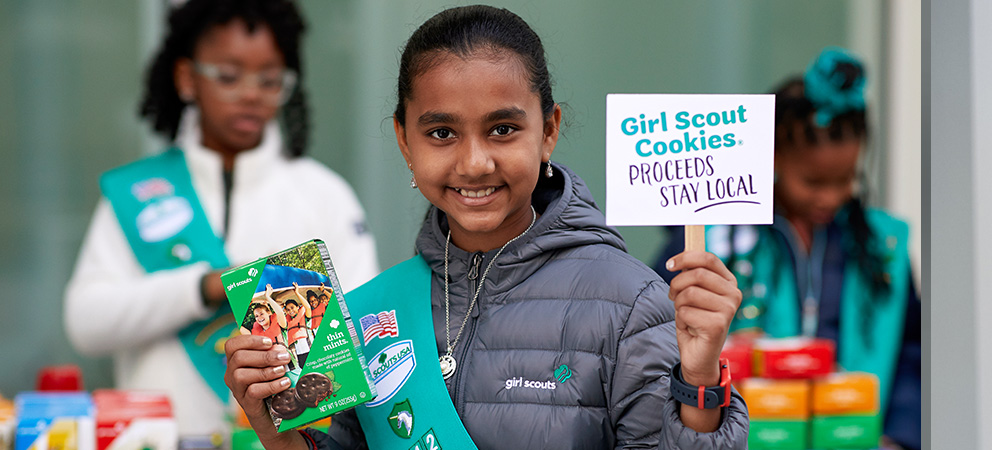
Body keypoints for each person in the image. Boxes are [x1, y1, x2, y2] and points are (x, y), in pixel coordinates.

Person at [222, 6, 749, 449]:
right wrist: (279, 433)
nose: (475, 163)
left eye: (502, 129)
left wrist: (699, 380)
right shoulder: (372, 309)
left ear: (548, 132)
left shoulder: (630, 303)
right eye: (442, 132)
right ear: (405, 142)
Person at [63, 0, 378, 441]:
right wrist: (204, 287)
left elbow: (364, 328)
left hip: (286, 443)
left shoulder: (325, 195)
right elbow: (86, 322)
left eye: (269, 79)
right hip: (160, 439)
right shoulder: (141, 193)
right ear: (186, 78)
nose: (251, 93)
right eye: (228, 76)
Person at [649, 47, 921, 450]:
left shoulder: (884, 248)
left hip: (856, 439)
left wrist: (901, 436)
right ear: (772, 158)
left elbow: (910, 356)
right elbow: (655, 331)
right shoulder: (719, 236)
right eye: (812, 182)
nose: (829, 198)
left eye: (846, 179)